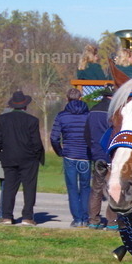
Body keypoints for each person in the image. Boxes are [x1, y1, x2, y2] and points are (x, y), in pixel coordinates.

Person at [0, 90, 43, 225]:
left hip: (9, 157)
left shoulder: (2, 119)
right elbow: (36, 142)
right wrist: (36, 155)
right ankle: (27, 216)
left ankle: (7, 216)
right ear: (25, 106)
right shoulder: (32, 121)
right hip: (28, 158)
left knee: (9, 187)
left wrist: (1, 151)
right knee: (29, 188)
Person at [50, 87, 92, 227]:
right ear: (81, 98)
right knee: (85, 187)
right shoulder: (88, 115)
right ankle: (86, 218)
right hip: (85, 155)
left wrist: (60, 151)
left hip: (70, 155)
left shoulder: (62, 116)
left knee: (72, 188)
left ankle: (77, 219)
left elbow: (54, 138)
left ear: (67, 98)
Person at [85, 86, 117, 230]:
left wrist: (92, 149)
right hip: (112, 154)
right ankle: (111, 221)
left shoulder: (93, 110)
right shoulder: (116, 112)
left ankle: (93, 220)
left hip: (97, 154)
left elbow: (86, 133)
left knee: (96, 188)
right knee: (113, 188)